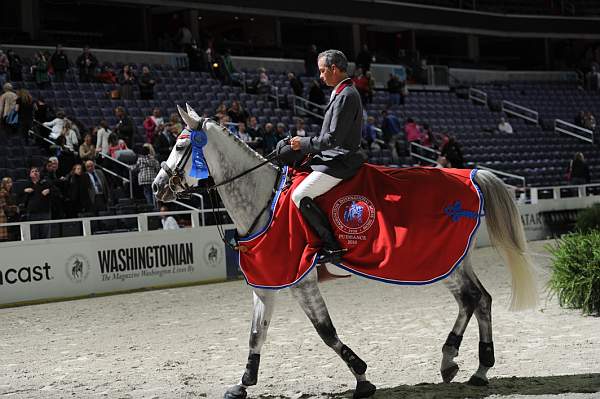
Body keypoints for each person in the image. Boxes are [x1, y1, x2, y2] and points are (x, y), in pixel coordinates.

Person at [288, 49, 364, 264]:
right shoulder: (340, 91)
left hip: (341, 159)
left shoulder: (347, 95)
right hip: (333, 155)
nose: (320, 76)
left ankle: (332, 247)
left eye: (322, 71)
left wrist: (302, 144)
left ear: (334, 69)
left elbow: (332, 140)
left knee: (299, 195)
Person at [21, 167, 52, 239]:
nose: (35, 172)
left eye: (36, 171)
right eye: (33, 171)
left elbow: (57, 192)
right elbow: (18, 197)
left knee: (45, 236)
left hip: (45, 213)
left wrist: (49, 190)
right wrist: (24, 191)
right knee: (33, 236)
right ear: (30, 174)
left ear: (39, 173)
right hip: (32, 214)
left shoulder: (46, 183)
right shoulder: (26, 184)